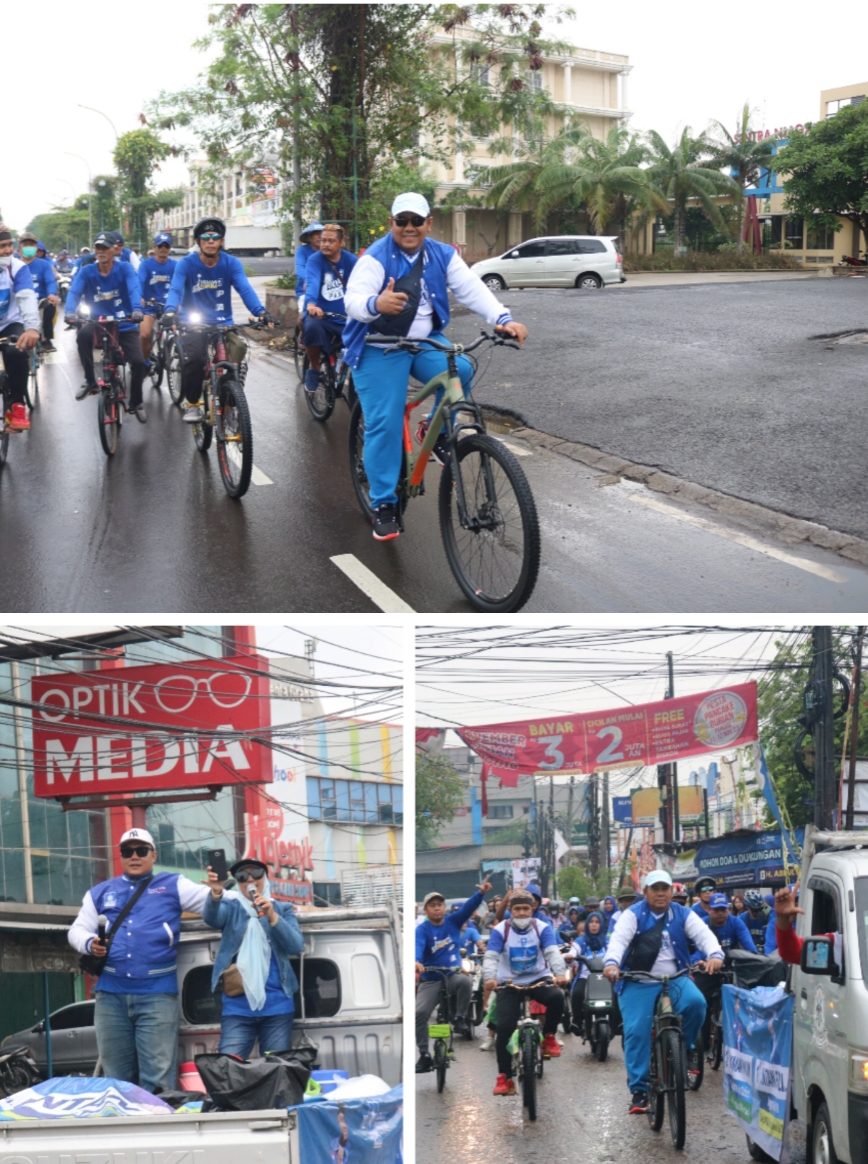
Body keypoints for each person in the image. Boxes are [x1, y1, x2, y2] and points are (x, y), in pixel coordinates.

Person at [343, 192, 528, 541]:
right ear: (392, 223)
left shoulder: (443, 254)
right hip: (378, 347)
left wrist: (503, 318)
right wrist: (376, 302)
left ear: (429, 223)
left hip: (424, 341)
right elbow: (353, 300)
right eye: (402, 221)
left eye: (417, 221)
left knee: (462, 369)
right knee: (384, 419)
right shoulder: (376, 258)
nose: (409, 228)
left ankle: (439, 433)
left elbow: (472, 289)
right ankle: (383, 502)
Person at [67, 827, 209, 1093]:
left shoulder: (173, 884)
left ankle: (159, 1131)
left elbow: (213, 903)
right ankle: (121, 1132)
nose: (134, 856)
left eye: (141, 850)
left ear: (153, 855)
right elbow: (76, 930)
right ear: (121, 855)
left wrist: (246, 899)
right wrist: (89, 944)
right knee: (116, 1079)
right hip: (111, 996)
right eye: (127, 851)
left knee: (157, 1078)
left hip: (156, 995)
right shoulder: (100, 892)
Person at [604, 869, 724, 1114]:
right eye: (655, 889)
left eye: (664, 889)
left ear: (671, 891)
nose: (660, 893)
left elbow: (704, 936)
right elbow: (618, 941)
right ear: (645, 892)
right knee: (636, 1032)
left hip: (675, 978)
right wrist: (612, 963)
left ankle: (686, 1049)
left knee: (697, 1004)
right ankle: (639, 1091)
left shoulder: (683, 913)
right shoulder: (632, 915)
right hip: (638, 981)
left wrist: (715, 954)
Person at [162, 217, 272, 423]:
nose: (211, 241)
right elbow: (175, 289)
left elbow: (244, 289)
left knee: (237, 352)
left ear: (221, 241)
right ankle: (193, 403)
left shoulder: (231, 263)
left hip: (223, 321)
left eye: (216, 237)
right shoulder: (186, 264)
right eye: (206, 237)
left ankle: (231, 398)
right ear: (198, 241)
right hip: (193, 322)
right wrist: (169, 311)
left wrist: (261, 312)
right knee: (194, 359)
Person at [204, 855, 304, 1057]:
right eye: (242, 876)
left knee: (276, 1070)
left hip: (277, 1005)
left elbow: (295, 945)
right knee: (228, 1068)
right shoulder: (232, 908)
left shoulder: (282, 908)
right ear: (238, 884)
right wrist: (215, 892)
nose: (249, 880)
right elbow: (212, 917)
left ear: (265, 878)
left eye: (255, 874)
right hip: (238, 1008)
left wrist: (272, 916)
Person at [482, 889, 568, 1095]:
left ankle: (548, 1037)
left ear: (533, 909)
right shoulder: (500, 930)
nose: (521, 913)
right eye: (517, 909)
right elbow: (492, 956)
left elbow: (552, 952)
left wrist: (559, 973)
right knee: (504, 1026)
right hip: (508, 983)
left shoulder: (543, 928)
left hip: (538, 979)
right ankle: (504, 1077)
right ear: (510, 910)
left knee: (557, 997)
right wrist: (489, 978)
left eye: (525, 909)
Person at [65, 231, 148, 420]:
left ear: (114, 250)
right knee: (82, 336)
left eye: (105, 248)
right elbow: (74, 292)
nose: (101, 252)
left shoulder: (125, 268)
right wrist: (70, 311)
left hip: (125, 322)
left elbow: (134, 288)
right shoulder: (87, 272)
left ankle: (137, 401)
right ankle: (90, 381)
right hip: (98, 323)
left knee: (138, 362)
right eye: (98, 248)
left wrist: (136, 309)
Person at [415, 881, 491, 1071]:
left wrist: (480, 894)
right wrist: (416, 962)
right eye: (432, 906)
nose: (437, 909)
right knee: (419, 1014)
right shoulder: (421, 930)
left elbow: (468, 908)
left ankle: (460, 1018)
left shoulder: (453, 921)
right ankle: (424, 1054)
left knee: (466, 981)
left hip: (451, 975)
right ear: (426, 910)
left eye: (439, 905)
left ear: (444, 907)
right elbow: (417, 947)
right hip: (431, 978)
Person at [301, 223, 356, 393]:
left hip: (346, 316)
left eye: (331, 241)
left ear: (341, 243)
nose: (325, 244)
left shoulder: (352, 261)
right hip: (321, 314)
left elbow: (364, 284)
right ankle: (315, 368)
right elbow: (313, 282)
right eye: (323, 240)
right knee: (311, 328)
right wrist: (311, 304)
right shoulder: (315, 260)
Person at [0, 226, 40, 432]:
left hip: (9, 324)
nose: (7, 251)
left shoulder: (17, 268)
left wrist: (32, 328)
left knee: (16, 352)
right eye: (1, 247)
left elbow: (26, 297)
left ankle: (17, 405)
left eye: (9, 245)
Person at [18, 230, 59, 351]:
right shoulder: (14, 265)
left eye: (32, 244)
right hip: (20, 302)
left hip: (40, 301)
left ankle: (47, 339)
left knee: (50, 307)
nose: (28, 247)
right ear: (19, 247)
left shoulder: (44, 265)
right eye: (25, 245)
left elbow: (50, 281)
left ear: (36, 247)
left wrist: (51, 294)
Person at [569, 908, 609, 1031]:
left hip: (606, 977)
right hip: (585, 977)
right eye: (591, 922)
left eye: (597, 922)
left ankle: (617, 1022)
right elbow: (574, 950)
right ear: (587, 924)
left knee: (617, 994)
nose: (594, 924)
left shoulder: (607, 941)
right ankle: (577, 1021)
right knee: (576, 994)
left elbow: (615, 953)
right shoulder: (581, 941)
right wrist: (570, 955)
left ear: (601, 925)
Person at [294, 221, 323, 318]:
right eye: (316, 234)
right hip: (305, 290)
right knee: (303, 317)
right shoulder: (302, 251)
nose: (319, 237)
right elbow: (300, 269)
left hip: (325, 290)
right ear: (310, 238)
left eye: (321, 234)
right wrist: (310, 281)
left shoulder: (327, 251)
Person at [742, 888, 771, 953]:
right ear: (747, 907)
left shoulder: (767, 915)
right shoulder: (741, 919)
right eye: (754, 910)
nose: (757, 912)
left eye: (759, 909)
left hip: (766, 954)